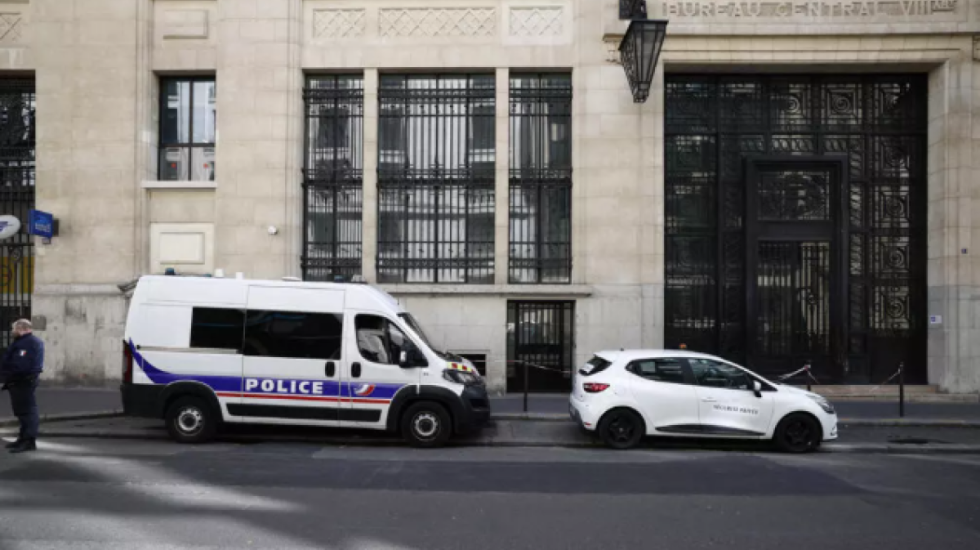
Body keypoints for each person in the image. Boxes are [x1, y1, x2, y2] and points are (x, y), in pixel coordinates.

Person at [1, 319, 44, 453]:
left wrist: (4, 379)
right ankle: (23, 438)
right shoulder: (27, 342)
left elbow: (20, 365)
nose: (12, 331)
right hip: (21, 381)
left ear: (21, 328)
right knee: (22, 412)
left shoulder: (27, 343)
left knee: (27, 412)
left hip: (22, 382)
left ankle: (28, 441)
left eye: (13, 329)